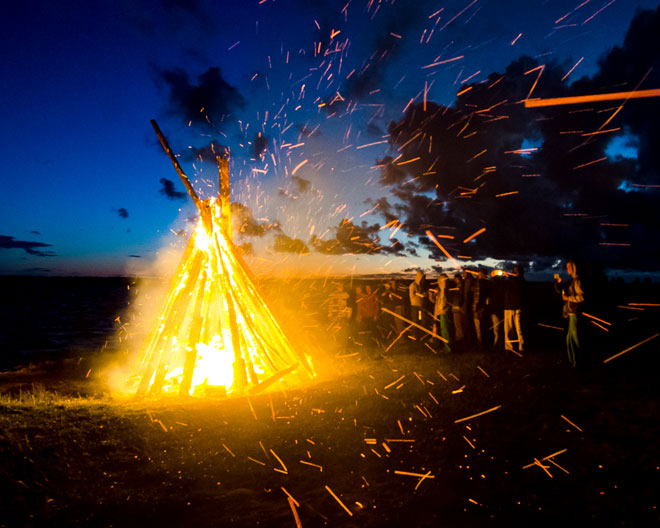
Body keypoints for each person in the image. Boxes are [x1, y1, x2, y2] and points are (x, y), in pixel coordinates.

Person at [555, 261, 584, 367]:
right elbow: (563, 291)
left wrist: (568, 298)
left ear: (573, 268)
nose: (567, 269)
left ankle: (577, 362)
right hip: (569, 313)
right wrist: (561, 289)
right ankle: (572, 361)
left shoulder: (577, 281)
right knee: (568, 339)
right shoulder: (572, 281)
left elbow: (581, 297)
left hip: (574, 313)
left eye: (568, 267)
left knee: (573, 338)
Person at [504, 265, 525, 353]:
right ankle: (509, 347)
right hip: (509, 307)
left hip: (516, 307)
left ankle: (521, 346)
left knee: (518, 328)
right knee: (509, 328)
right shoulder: (511, 281)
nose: (515, 272)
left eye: (517, 271)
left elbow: (517, 282)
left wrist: (508, 276)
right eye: (514, 271)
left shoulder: (520, 281)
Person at [432, 274, 452, 353]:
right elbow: (437, 303)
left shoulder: (444, 291)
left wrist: (439, 311)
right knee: (443, 331)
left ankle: (448, 349)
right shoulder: (441, 291)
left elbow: (443, 304)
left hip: (444, 313)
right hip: (441, 313)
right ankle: (445, 347)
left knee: (445, 331)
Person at [489, 270, 506, 352]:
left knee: (497, 329)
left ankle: (496, 345)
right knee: (500, 329)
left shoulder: (494, 286)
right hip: (500, 309)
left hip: (496, 310)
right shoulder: (502, 285)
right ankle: (500, 345)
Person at [449, 273, 465, 351]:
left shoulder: (460, 287)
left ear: (457, 279)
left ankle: (460, 342)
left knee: (458, 326)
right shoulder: (458, 287)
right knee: (458, 326)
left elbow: (460, 297)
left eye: (455, 279)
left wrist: (458, 304)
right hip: (456, 309)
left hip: (458, 310)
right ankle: (459, 341)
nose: (454, 280)